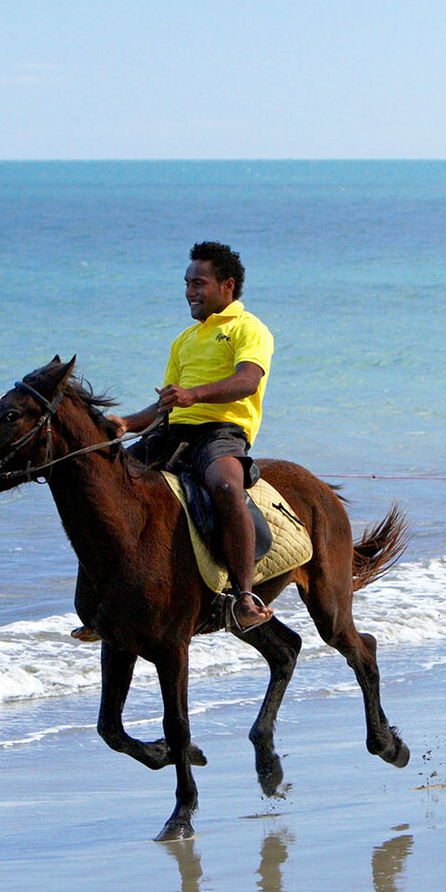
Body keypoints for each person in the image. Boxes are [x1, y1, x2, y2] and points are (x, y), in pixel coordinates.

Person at [79, 241, 277, 635]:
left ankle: (243, 598)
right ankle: (100, 605)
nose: (189, 291)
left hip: (221, 432)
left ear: (227, 285)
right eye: (187, 283)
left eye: (199, 283)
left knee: (224, 484)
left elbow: (247, 380)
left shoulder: (248, 328)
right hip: (172, 432)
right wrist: (127, 423)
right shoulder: (184, 340)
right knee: (102, 489)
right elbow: (167, 404)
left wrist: (194, 394)